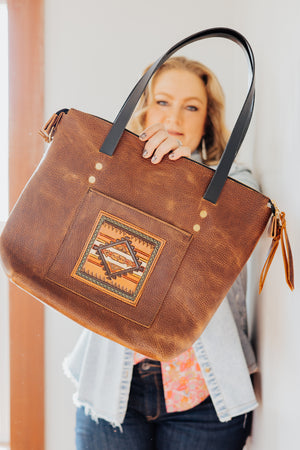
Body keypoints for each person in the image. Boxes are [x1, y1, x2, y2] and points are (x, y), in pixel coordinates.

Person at [64, 56, 259, 450]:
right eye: (164, 101)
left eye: (192, 107)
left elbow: (204, 260)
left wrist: (180, 170)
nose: (175, 118)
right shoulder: (109, 171)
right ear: (144, 107)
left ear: (207, 120)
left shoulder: (238, 184)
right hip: (110, 385)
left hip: (205, 393)